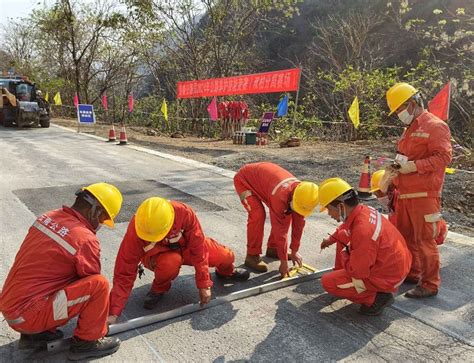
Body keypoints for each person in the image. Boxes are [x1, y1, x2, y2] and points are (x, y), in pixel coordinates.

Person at [0, 183, 123, 361]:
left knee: (57, 274)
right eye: (103, 219)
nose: (101, 224)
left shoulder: (47, 217)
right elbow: (89, 282)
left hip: (11, 306)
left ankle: (34, 336)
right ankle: (86, 343)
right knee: (99, 285)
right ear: (95, 211)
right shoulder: (84, 238)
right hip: (28, 315)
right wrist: (103, 318)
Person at [108, 197, 249, 321]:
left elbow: (198, 248)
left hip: (186, 248)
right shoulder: (138, 226)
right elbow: (124, 270)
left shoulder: (184, 212)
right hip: (158, 256)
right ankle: (158, 289)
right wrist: (114, 312)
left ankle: (226, 272)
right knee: (170, 262)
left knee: (225, 256)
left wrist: (204, 283)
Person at [385, 83, 452, 298]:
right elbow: (403, 157)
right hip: (405, 194)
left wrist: (414, 166)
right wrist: (393, 172)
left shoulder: (435, 126)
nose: (398, 115)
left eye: (399, 109)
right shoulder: (408, 130)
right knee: (406, 238)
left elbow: (444, 158)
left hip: (424, 195)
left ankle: (430, 284)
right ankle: (413, 273)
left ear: (412, 104)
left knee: (424, 240)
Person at [319, 178, 412, 316]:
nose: (329, 214)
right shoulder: (363, 211)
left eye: (329, 209)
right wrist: (331, 240)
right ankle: (346, 279)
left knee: (328, 282)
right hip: (396, 265)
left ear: (341, 206)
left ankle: (376, 298)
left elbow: (358, 272)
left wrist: (346, 254)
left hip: (387, 277)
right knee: (343, 237)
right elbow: (344, 230)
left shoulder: (363, 231)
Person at [234, 162, 319, 277]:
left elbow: (299, 223)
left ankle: (273, 249)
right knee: (258, 214)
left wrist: (294, 250)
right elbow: (280, 230)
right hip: (244, 180)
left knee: (288, 212)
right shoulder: (280, 196)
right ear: (294, 196)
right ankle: (251, 256)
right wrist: (283, 262)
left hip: (263, 181)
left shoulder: (302, 193)